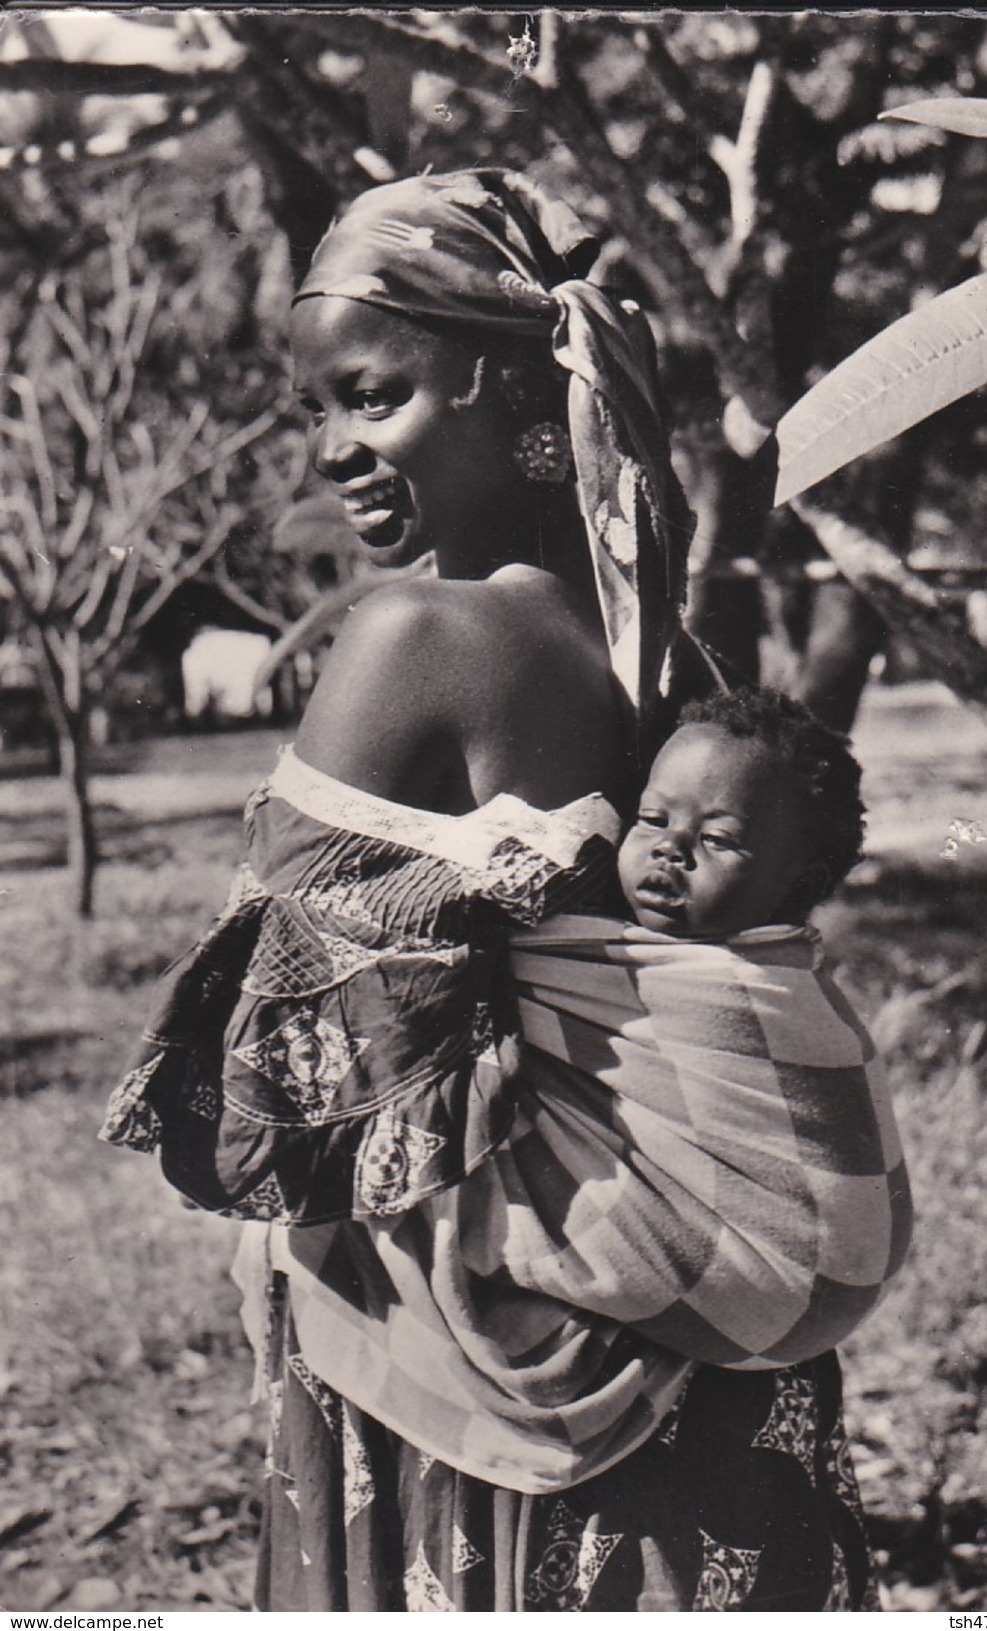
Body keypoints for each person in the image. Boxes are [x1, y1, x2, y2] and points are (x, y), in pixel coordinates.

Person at [102, 170, 891, 1611]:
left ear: (503, 386)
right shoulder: (668, 650)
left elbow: (283, 1059)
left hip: (486, 1343)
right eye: (322, 414)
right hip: (677, 1342)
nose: (338, 450)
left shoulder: (417, 635)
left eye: (373, 395)